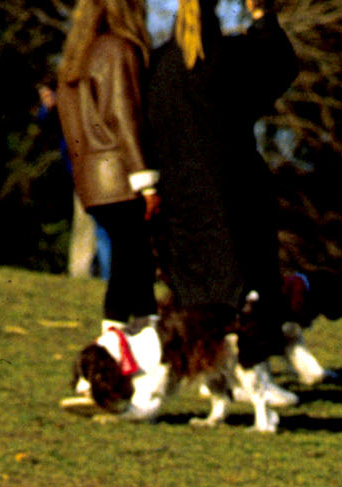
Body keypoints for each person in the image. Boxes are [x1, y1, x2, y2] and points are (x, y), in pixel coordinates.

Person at [143, 0, 296, 360]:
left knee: (194, 293)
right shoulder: (230, 57)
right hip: (234, 192)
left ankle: (202, 365)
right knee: (244, 289)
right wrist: (262, 14)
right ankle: (251, 366)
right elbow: (281, 63)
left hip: (179, 197)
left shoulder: (159, 65)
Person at [57, 0, 160, 330]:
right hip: (120, 177)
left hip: (92, 180)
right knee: (130, 264)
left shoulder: (77, 56)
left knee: (133, 262)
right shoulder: (119, 50)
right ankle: (111, 348)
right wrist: (146, 182)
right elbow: (124, 117)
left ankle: (143, 342)